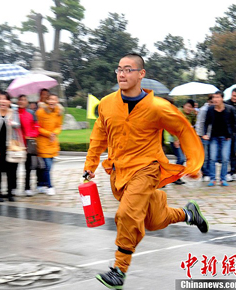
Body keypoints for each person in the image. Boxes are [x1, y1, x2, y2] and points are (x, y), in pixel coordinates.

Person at [83, 53, 207, 289]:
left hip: (147, 168)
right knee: (153, 220)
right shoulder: (107, 104)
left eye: (128, 69)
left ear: (141, 74)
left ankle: (119, 270)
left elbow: (183, 129)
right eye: (119, 69)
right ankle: (189, 214)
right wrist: (89, 166)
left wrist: (194, 164)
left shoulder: (157, 107)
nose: (122, 73)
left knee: (126, 215)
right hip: (119, 172)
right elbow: (99, 136)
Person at [203, 91, 236, 186]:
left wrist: (231, 134)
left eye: (217, 97)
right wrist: (205, 134)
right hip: (214, 137)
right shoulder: (210, 109)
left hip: (226, 137)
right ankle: (212, 179)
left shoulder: (230, 109)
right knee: (212, 158)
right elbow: (206, 123)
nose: (215, 99)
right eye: (214, 97)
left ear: (222, 98)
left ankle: (223, 178)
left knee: (225, 158)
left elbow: (234, 123)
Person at [36, 94, 63, 196]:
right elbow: (37, 127)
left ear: (57, 101)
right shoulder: (40, 112)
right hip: (43, 142)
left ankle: (41, 184)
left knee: (49, 167)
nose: (52, 101)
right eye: (50, 99)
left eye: (54, 99)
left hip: (53, 142)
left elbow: (59, 126)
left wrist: (54, 133)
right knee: (47, 166)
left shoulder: (59, 112)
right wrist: (48, 134)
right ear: (47, 101)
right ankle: (50, 186)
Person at [171, 99, 197, 185]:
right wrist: (176, 139)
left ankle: (175, 177)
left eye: (191, 107)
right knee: (181, 158)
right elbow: (174, 127)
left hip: (183, 140)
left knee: (181, 159)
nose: (189, 108)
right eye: (188, 106)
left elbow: (193, 125)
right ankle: (173, 176)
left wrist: (195, 115)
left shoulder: (191, 115)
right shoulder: (178, 113)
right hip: (175, 139)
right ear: (184, 105)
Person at [17, 94, 39, 196]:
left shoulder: (31, 114)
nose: (22, 101)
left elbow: (36, 127)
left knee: (28, 167)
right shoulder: (14, 113)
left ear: (27, 102)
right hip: (16, 144)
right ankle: (12, 187)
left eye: (24, 100)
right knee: (13, 166)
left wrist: (30, 135)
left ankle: (27, 187)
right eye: (20, 99)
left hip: (28, 143)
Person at [224, 88, 236, 181]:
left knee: (234, 153)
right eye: (234, 95)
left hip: (235, 132)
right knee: (226, 154)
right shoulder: (226, 103)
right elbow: (227, 117)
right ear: (231, 94)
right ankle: (226, 172)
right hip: (227, 133)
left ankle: (233, 171)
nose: (235, 98)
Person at [195, 95, 213, 181]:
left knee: (210, 156)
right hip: (204, 135)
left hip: (211, 135)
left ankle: (208, 172)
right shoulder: (203, 110)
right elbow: (200, 123)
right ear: (209, 101)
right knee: (205, 156)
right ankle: (205, 173)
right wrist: (202, 135)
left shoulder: (214, 109)